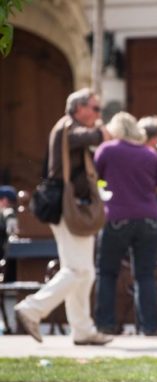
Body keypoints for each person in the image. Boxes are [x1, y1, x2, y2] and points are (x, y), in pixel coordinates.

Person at [14, 88, 113, 345]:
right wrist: (103, 132)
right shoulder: (68, 127)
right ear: (79, 108)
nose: (98, 114)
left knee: (84, 272)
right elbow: (87, 137)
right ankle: (32, 308)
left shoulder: (69, 127)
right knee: (78, 270)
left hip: (75, 207)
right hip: (68, 208)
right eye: (95, 108)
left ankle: (82, 330)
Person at [93, 112, 157, 335]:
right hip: (149, 219)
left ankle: (106, 325)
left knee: (107, 272)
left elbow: (94, 178)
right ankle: (150, 327)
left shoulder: (107, 150)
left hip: (117, 217)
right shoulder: (150, 153)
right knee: (145, 275)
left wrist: (105, 189)